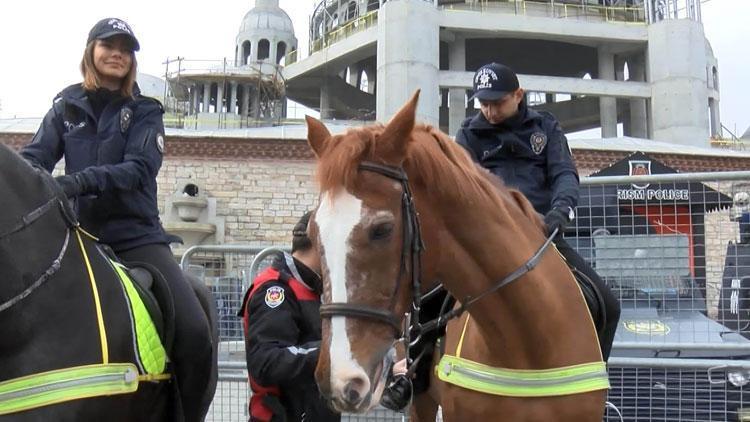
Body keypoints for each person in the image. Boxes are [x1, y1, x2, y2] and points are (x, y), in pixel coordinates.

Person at [20, 18, 213, 421]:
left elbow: (138, 169)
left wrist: (74, 183)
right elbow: (35, 160)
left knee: (196, 335)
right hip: (78, 238)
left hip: (137, 238)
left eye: (125, 48)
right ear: (90, 51)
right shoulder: (65, 105)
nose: (117, 53)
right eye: (108, 44)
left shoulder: (145, 111)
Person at [454, 62, 620, 361]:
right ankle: (413, 376)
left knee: (608, 305)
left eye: (497, 102)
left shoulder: (546, 127)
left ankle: (595, 382)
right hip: (487, 240)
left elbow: (565, 175)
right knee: (425, 302)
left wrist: (560, 211)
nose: (490, 112)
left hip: (544, 235)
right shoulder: (468, 134)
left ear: (518, 95)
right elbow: (462, 187)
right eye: (484, 103)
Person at [240, 211, 340, 422]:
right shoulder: (276, 290)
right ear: (320, 243)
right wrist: (331, 352)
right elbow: (265, 362)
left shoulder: (314, 290)